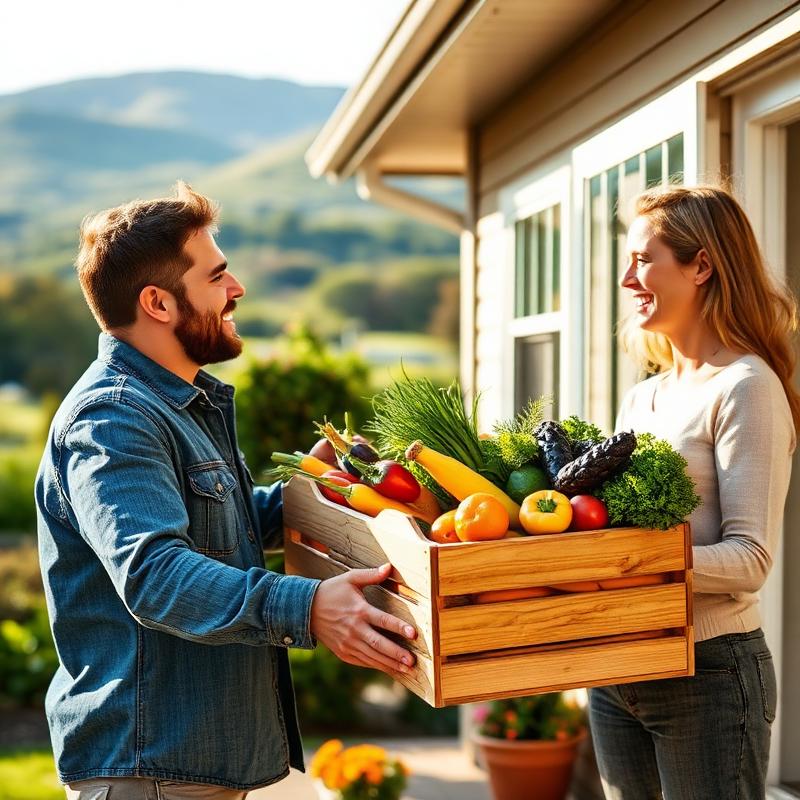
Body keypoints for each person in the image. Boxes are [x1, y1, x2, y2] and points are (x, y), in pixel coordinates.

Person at [34, 183, 418, 800]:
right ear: (158, 302)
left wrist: (313, 493)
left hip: (185, 766)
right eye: (217, 275)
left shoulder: (179, 402)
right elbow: (155, 576)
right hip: (152, 769)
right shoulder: (113, 417)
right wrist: (308, 606)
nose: (237, 288)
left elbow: (222, 526)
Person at [588, 185, 799, 800]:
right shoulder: (643, 397)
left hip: (707, 673)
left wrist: (625, 561)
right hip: (617, 667)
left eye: (644, 259)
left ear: (701, 265)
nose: (628, 279)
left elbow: (749, 559)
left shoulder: (745, 387)